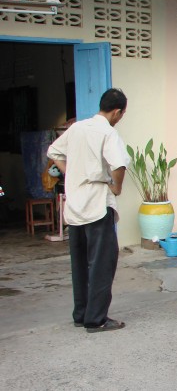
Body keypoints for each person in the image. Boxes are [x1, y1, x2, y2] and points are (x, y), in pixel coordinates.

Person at [47, 88, 129, 333]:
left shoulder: (77, 128)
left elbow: (53, 151)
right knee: (102, 262)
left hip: (74, 206)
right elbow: (119, 164)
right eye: (121, 114)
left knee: (80, 263)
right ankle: (96, 319)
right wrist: (116, 188)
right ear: (116, 112)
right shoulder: (107, 132)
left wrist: (69, 171)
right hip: (96, 203)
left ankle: (81, 313)